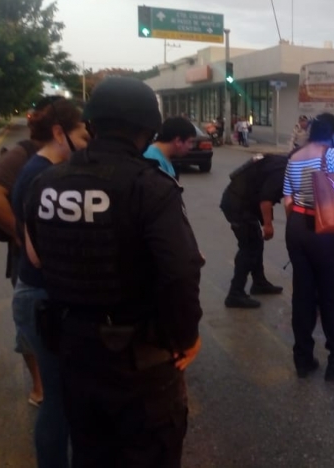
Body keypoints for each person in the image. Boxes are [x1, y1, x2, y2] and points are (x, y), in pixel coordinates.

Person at [23, 77, 204, 467]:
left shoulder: (45, 183)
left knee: (91, 454)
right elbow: (181, 270)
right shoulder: (149, 186)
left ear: (91, 124)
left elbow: (38, 255)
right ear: (148, 129)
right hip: (138, 359)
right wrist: (186, 337)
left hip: (74, 352)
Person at [11, 97, 91, 467]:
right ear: (60, 134)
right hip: (40, 296)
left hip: (42, 294)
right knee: (58, 401)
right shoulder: (39, 178)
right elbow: (37, 254)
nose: (87, 145)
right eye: (82, 137)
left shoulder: (44, 172)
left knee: (64, 397)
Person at [283, 113, 334, 380]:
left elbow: (287, 199)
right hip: (324, 230)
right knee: (330, 297)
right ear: (332, 135)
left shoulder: (294, 157)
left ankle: (303, 359)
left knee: (302, 295)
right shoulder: (332, 155)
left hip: (296, 227)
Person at [0, 105, 48, 407]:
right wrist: (22, 237)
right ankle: (39, 384)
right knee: (30, 320)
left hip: (57, 258)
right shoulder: (22, 155)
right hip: (26, 259)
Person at [220, 154, 288, 308]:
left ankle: (259, 282)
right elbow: (266, 199)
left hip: (241, 201)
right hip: (238, 204)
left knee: (256, 242)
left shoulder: (279, 160)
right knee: (249, 247)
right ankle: (235, 293)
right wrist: (268, 225)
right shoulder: (284, 169)